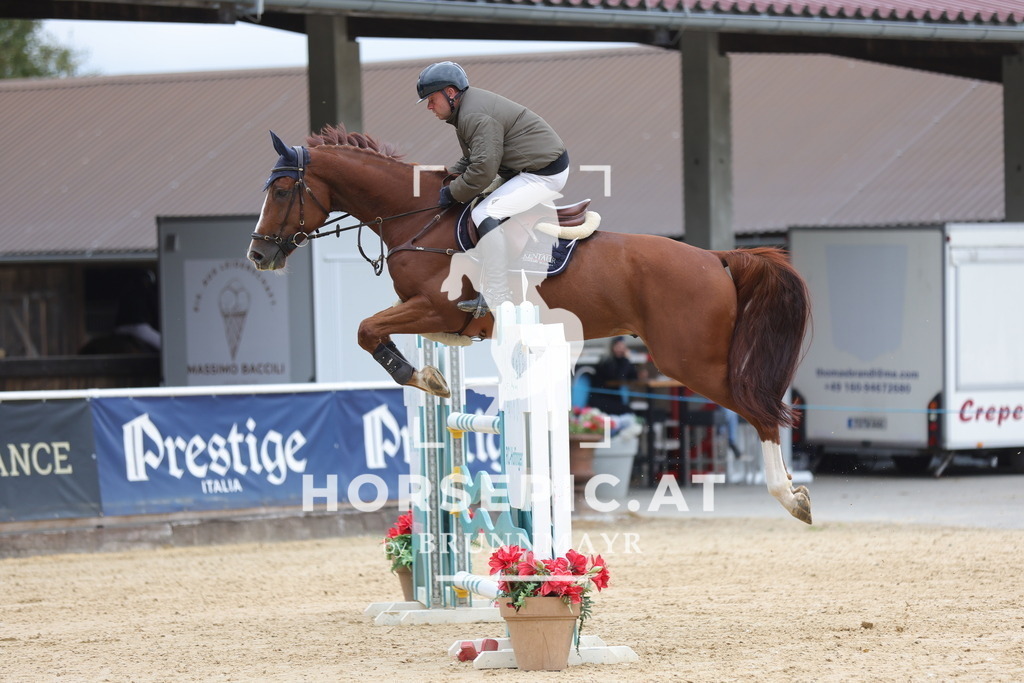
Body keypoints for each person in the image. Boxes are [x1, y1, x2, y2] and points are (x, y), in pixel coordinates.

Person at [416, 61, 570, 318]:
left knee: (484, 213)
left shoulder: (474, 115)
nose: (430, 107)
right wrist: (442, 181)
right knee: (471, 202)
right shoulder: (465, 111)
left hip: (542, 174)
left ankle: (498, 293)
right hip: (523, 170)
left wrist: (451, 193)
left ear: (450, 93)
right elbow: (471, 161)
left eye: (431, 99)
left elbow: (483, 171)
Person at [588, 337, 640, 417]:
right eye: (618, 347)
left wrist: (628, 360)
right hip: (602, 398)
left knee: (629, 411)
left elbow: (633, 377)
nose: (621, 350)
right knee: (628, 412)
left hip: (613, 398)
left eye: (623, 347)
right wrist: (626, 360)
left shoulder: (622, 360)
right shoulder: (606, 361)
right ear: (612, 347)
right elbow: (619, 377)